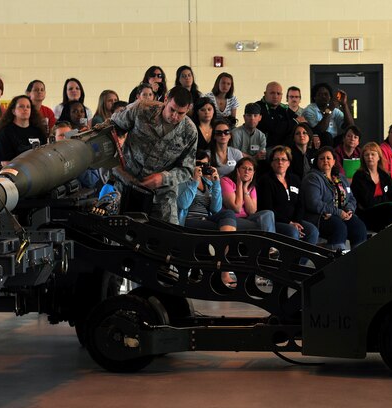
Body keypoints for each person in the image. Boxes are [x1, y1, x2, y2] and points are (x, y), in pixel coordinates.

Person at [110, 86, 198, 224]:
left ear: (188, 109)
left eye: (181, 113)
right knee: (119, 235)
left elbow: (187, 169)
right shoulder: (142, 109)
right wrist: (115, 156)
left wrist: (163, 178)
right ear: (165, 100)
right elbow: (112, 126)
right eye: (172, 110)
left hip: (162, 193)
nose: (174, 116)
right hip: (128, 182)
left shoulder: (190, 132)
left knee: (166, 237)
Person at [176, 151, 240, 288]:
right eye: (198, 164)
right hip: (189, 220)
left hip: (207, 219)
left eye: (205, 164)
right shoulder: (184, 180)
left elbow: (216, 209)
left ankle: (221, 263)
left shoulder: (208, 183)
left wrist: (216, 184)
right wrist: (194, 181)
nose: (202, 167)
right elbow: (183, 204)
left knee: (228, 213)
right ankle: (223, 271)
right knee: (219, 231)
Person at [302, 147, 367, 251]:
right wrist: (338, 212)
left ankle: (359, 260)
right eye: (322, 158)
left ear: (334, 161)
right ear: (316, 162)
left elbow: (351, 198)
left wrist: (349, 210)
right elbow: (314, 203)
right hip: (320, 217)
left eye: (328, 158)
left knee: (359, 227)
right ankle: (335, 262)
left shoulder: (341, 177)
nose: (325, 161)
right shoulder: (313, 178)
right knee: (339, 228)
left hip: (342, 215)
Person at [256, 146, 319, 243]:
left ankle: (300, 259)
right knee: (293, 232)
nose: (280, 162)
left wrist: (296, 222)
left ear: (289, 163)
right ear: (271, 163)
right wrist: (289, 223)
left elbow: (300, 204)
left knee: (313, 231)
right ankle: (288, 258)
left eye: (283, 159)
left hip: (294, 220)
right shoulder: (265, 180)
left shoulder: (295, 179)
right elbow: (267, 208)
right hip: (276, 221)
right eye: (276, 159)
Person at [350, 142, 392, 232]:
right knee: (390, 212)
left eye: (373, 154)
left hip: (386, 213)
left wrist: (381, 201)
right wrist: (386, 200)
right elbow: (367, 202)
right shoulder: (359, 176)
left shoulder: (385, 175)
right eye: (366, 155)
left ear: (379, 157)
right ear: (363, 158)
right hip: (367, 215)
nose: (370, 157)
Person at [221, 157, 276, 232]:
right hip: (231, 219)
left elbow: (252, 211)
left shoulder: (251, 187)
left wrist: (245, 189)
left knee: (268, 214)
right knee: (262, 226)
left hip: (247, 218)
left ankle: (269, 242)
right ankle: (269, 242)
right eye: (243, 168)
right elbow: (237, 208)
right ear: (237, 169)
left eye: (250, 169)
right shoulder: (226, 181)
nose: (246, 171)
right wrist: (239, 184)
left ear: (253, 173)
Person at [0, 95, 48, 164]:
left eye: (28, 107)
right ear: (14, 111)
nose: (25, 109)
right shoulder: (5, 133)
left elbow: (45, 156)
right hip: (16, 171)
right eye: (21, 106)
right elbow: (5, 163)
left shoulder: (39, 131)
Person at [256, 81, 299, 149]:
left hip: (285, 148)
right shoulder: (258, 107)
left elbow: (301, 121)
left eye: (278, 94)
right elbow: (273, 128)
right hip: (266, 149)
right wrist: (294, 122)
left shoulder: (283, 108)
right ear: (265, 93)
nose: (275, 96)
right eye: (272, 93)